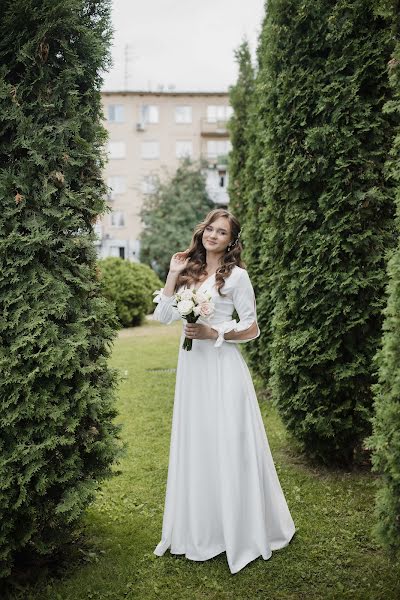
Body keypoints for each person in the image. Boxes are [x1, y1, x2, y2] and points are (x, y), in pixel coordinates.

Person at [152, 208, 296, 574]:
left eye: (222, 232)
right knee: (197, 443)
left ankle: (239, 528)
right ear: (203, 232)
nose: (213, 235)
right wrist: (171, 275)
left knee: (228, 442)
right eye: (210, 229)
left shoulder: (237, 277)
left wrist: (214, 332)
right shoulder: (188, 271)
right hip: (192, 371)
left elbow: (251, 328)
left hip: (222, 367)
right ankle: (201, 528)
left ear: (231, 241)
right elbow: (164, 317)